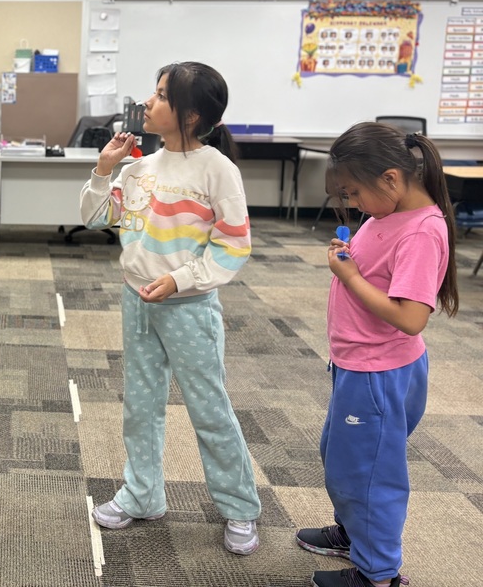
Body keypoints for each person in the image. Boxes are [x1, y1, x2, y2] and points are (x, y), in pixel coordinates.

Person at [80, 61, 261, 555]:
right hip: (136, 300)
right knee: (140, 407)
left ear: (190, 114)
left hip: (189, 307)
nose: (148, 102)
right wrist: (103, 170)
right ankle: (141, 495)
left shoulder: (217, 170)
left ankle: (239, 508)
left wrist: (180, 280)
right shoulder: (140, 167)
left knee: (208, 408)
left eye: (161, 95)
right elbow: (96, 220)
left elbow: (233, 245)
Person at [296, 121, 459, 587]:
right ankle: (354, 534)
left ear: (390, 179)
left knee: (371, 476)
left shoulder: (421, 232)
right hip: (358, 364)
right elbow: (379, 271)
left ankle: (378, 575)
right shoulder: (389, 215)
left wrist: (348, 277)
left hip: (379, 372)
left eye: (355, 193)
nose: (352, 204)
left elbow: (410, 318)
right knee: (344, 456)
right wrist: (351, 257)